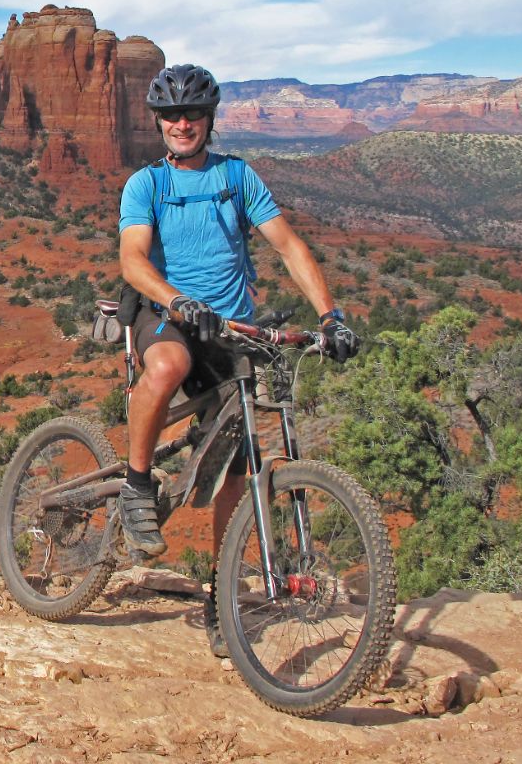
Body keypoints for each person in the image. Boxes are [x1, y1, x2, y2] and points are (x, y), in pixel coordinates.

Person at [117, 63, 359, 653]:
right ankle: (135, 484)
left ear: (209, 120)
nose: (181, 124)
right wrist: (177, 300)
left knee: (238, 468)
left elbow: (289, 245)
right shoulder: (146, 184)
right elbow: (133, 260)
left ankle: (219, 599)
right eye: (171, 115)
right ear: (158, 122)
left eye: (192, 114)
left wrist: (331, 316)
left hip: (229, 330)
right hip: (167, 316)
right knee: (168, 367)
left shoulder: (237, 177)